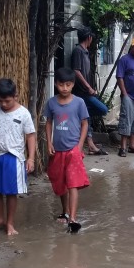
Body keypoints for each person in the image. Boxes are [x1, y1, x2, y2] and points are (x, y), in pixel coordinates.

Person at [0, 78, 36, 236]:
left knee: (11, 192)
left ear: (15, 96)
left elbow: (30, 136)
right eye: (0, 100)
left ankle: (10, 223)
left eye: (7, 101)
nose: (3, 104)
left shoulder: (23, 113)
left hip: (14, 157)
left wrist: (30, 158)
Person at [45, 67, 91, 233]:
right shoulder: (51, 103)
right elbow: (49, 123)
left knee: (73, 184)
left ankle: (72, 218)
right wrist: (49, 143)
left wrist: (79, 147)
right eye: (61, 84)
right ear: (56, 84)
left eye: (68, 84)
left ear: (72, 85)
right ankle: (64, 212)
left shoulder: (79, 103)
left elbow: (85, 123)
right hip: (57, 150)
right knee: (60, 183)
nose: (64, 88)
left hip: (73, 151)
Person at [71, 28, 109, 156]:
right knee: (102, 109)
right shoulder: (78, 51)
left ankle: (91, 145)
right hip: (82, 92)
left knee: (86, 116)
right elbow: (76, 71)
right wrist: (88, 87)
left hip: (87, 91)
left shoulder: (85, 52)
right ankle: (91, 144)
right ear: (89, 38)